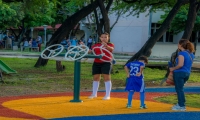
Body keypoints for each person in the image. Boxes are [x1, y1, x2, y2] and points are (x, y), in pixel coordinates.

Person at [169, 39, 195, 111]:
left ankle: (181, 105)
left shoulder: (181, 54)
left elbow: (180, 65)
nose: (178, 45)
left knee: (179, 89)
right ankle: (180, 103)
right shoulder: (191, 54)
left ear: (181, 45)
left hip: (179, 73)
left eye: (178, 44)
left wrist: (173, 68)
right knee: (180, 89)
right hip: (187, 73)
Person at [88, 32, 114, 100]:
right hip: (97, 62)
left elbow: (111, 49)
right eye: (102, 37)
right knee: (96, 77)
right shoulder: (96, 45)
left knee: (106, 78)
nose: (104, 39)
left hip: (106, 62)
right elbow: (90, 51)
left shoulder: (110, 44)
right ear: (100, 38)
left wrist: (106, 46)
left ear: (108, 38)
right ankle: (94, 94)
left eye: (105, 37)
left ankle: (107, 95)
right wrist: (85, 48)